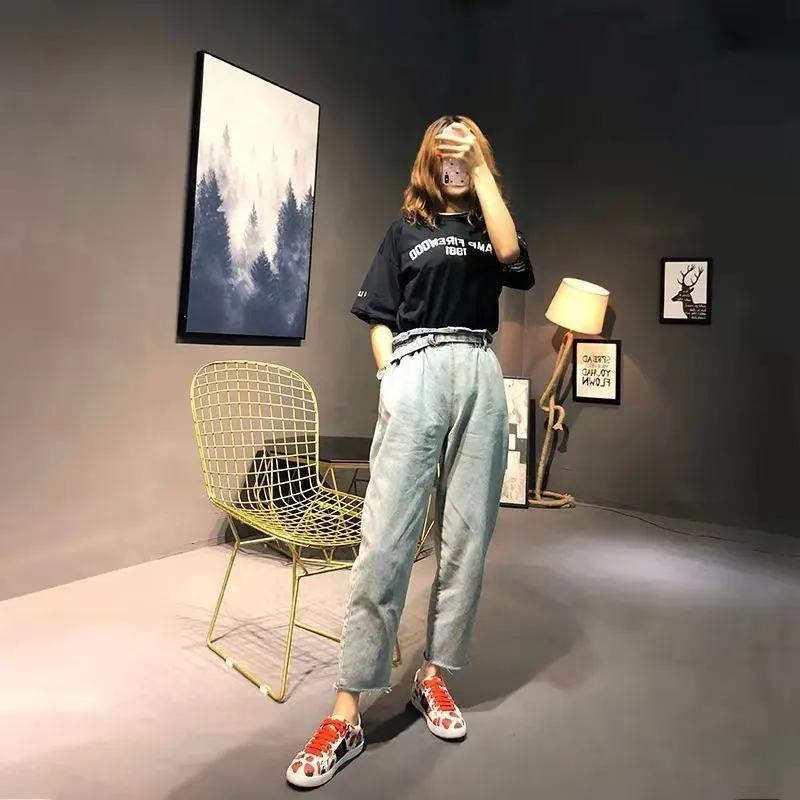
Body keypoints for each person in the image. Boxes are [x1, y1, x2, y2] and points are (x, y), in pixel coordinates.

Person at [285, 115, 535, 790]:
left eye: (465, 149)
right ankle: (346, 710)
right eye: (444, 150)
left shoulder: (488, 224)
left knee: (467, 538)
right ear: (428, 160)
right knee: (386, 539)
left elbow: (516, 265)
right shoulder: (406, 231)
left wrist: (480, 169)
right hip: (417, 366)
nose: (453, 159)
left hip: (479, 370)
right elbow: (378, 316)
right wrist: (389, 377)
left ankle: (432, 676)